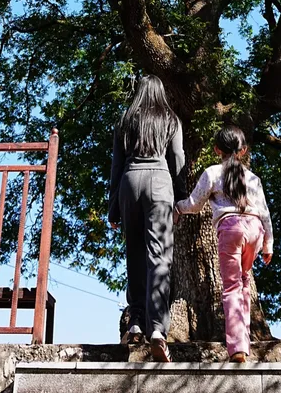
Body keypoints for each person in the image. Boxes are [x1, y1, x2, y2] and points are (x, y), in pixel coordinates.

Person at [174, 124, 273, 363]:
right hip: (255, 231)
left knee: (231, 287)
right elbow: (265, 212)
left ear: (217, 149)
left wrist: (179, 206)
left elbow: (195, 204)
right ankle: (245, 341)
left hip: (231, 230)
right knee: (244, 282)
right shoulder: (253, 178)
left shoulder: (212, 173)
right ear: (243, 150)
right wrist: (268, 242)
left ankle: (238, 347)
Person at [109, 74, 185, 362]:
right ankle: (157, 328)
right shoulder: (170, 119)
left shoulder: (125, 120)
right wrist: (180, 197)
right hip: (160, 183)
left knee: (135, 255)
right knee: (160, 257)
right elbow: (177, 158)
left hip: (130, 182)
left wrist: (113, 207)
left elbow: (116, 165)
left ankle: (136, 322)